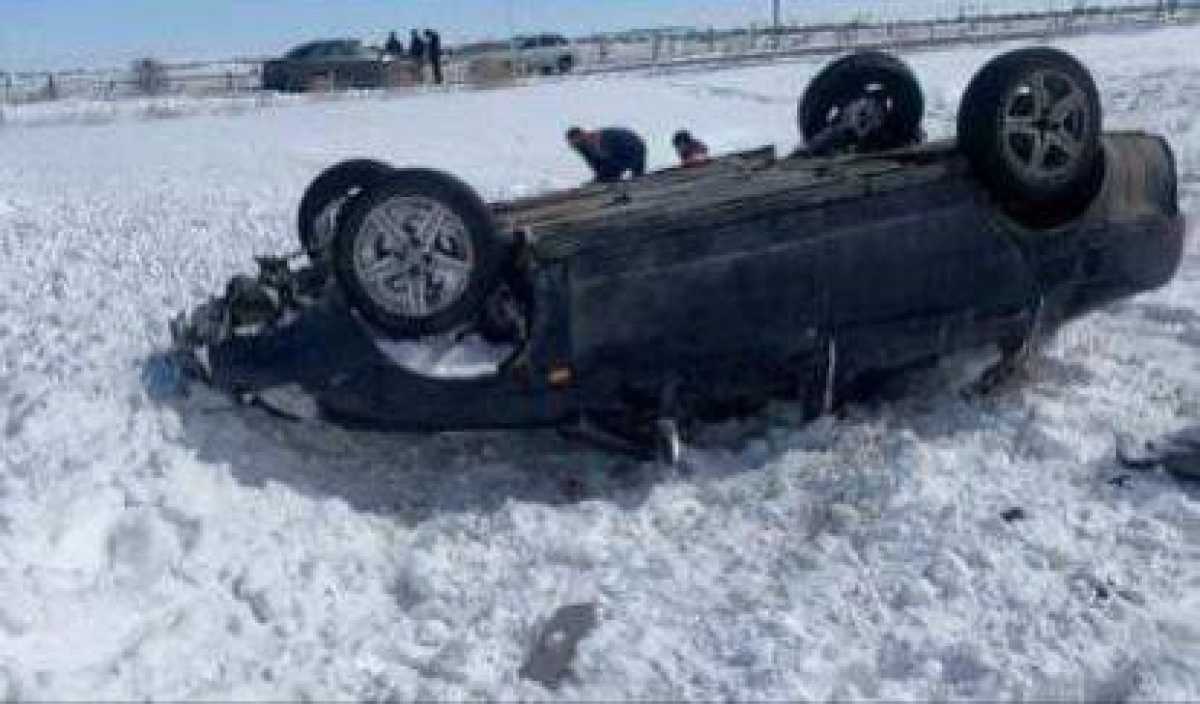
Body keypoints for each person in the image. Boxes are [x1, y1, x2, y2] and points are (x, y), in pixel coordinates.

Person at [566, 126, 647, 183]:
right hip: (633, 148)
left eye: (577, 141)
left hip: (631, 148)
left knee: (608, 173)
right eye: (573, 143)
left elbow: (600, 160)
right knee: (606, 174)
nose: (575, 145)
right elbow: (593, 162)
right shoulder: (581, 146)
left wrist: (604, 175)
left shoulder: (596, 140)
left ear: (583, 134)